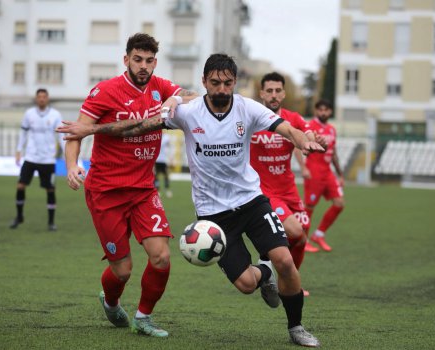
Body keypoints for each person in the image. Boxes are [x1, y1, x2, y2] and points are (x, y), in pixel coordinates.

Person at [57, 53, 323, 347]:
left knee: (285, 260)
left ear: (235, 82)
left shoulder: (248, 109)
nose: (221, 89)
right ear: (204, 82)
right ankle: (264, 274)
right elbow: (139, 127)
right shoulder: (188, 112)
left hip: (252, 200)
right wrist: (90, 130)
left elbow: (287, 129)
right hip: (214, 215)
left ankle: (296, 327)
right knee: (247, 284)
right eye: (215, 83)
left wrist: (303, 140)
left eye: (227, 83)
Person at [61, 33, 197, 337]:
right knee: (122, 270)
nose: (143, 66)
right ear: (126, 60)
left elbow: (194, 96)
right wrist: (72, 166)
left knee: (161, 256)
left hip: (143, 189)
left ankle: (143, 317)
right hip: (105, 191)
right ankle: (110, 301)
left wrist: (176, 97)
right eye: (138, 59)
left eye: (149, 61)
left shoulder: (160, 87)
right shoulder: (105, 91)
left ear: (155, 62)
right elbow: (77, 132)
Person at [250, 72, 325, 297]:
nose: (273, 95)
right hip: (264, 191)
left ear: (283, 93)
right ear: (262, 93)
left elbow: (307, 131)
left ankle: (289, 283)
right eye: (269, 91)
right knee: (293, 231)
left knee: (301, 238)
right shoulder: (252, 117)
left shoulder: (292, 118)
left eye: (277, 91)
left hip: (289, 190)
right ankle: (268, 266)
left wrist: (313, 140)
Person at [10, 88, 65, 232]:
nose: (41, 99)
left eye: (44, 96)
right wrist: (18, 150)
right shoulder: (29, 114)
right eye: (39, 96)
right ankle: (19, 216)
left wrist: (67, 153)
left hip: (47, 159)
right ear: (36, 99)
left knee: (50, 189)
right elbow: (23, 133)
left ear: (48, 99)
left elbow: (61, 136)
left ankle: (51, 222)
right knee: (20, 186)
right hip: (31, 157)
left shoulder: (55, 115)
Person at [303, 99, 345, 253]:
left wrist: (340, 175)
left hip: (328, 172)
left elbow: (333, 153)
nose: (323, 112)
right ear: (316, 111)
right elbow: (298, 146)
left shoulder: (332, 130)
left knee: (339, 203)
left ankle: (319, 234)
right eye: (320, 109)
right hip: (314, 170)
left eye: (326, 110)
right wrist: (303, 168)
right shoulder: (310, 127)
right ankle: (303, 240)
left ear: (330, 112)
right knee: (309, 206)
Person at [154, 132, 173, 198]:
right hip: (156, 159)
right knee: (156, 176)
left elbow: (169, 146)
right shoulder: (156, 136)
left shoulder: (166, 137)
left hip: (163, 159)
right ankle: (157, 190)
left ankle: (167, 189)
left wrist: (170, 157)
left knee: (166, 175)